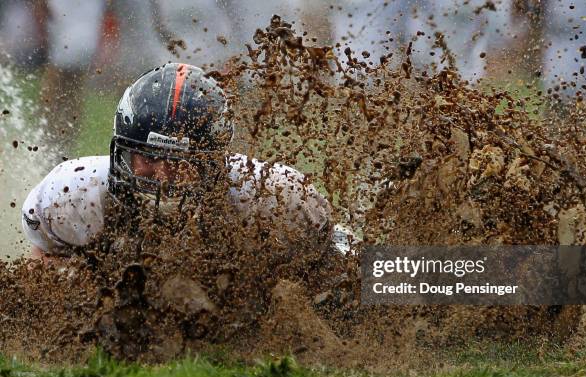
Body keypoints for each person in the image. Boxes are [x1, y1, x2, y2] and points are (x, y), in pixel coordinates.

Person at [21, 63, 350, 260]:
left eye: (181, 163)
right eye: (149, 158)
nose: (163, 175)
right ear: (122, 153)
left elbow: (340, 264)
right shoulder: (73, 194)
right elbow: (43, 269)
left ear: (215, 165)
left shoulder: (273, 197)